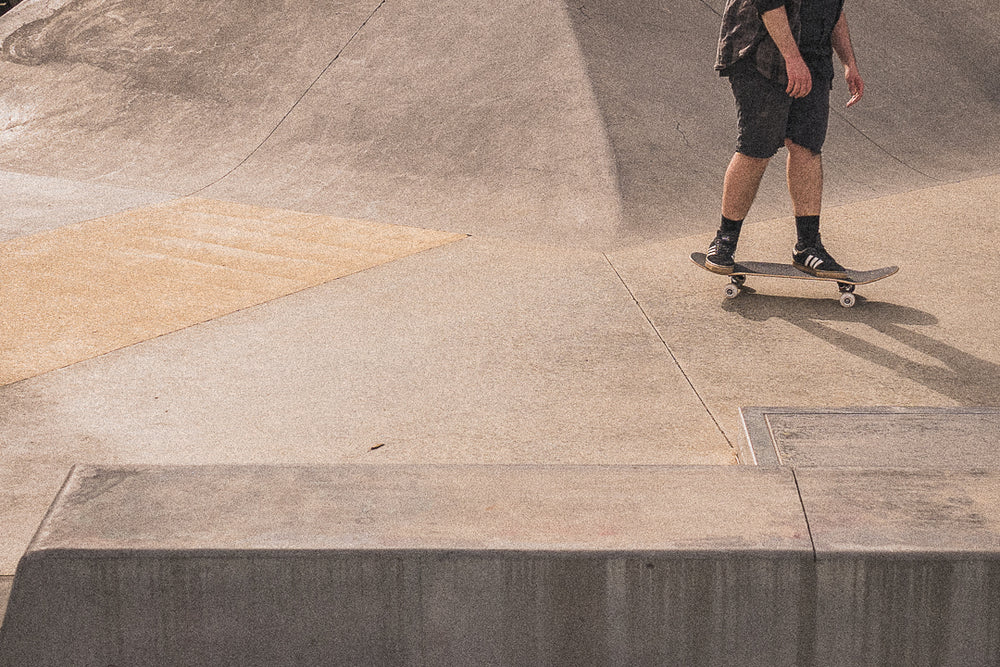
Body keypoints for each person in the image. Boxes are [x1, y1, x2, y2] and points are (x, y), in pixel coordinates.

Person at [706, 0, 864, 278]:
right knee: (757, 147)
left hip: (813, 56)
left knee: (807, 147)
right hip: (762, 51)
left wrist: (849, 62)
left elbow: (834, 11)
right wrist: (792, 59)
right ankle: (725, 240)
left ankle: (808, 246)